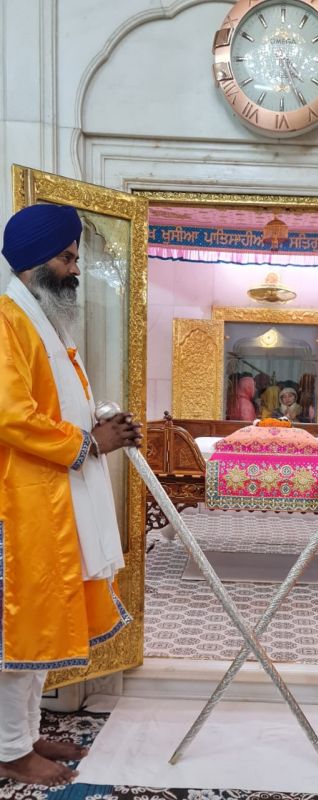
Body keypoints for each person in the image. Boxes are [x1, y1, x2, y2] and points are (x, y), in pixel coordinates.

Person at [0, 203, 142, 787]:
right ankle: (10, 750)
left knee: (33, 626)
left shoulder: (37, 320)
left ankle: (23, 732)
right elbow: (11, 413)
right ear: (36, 263)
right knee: (19, 628)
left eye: (75, 257)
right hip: (21, 504)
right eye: (67, 257)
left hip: (49, 497)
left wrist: (97, 436)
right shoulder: (8, 319)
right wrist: (88, 442)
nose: (75, 269)